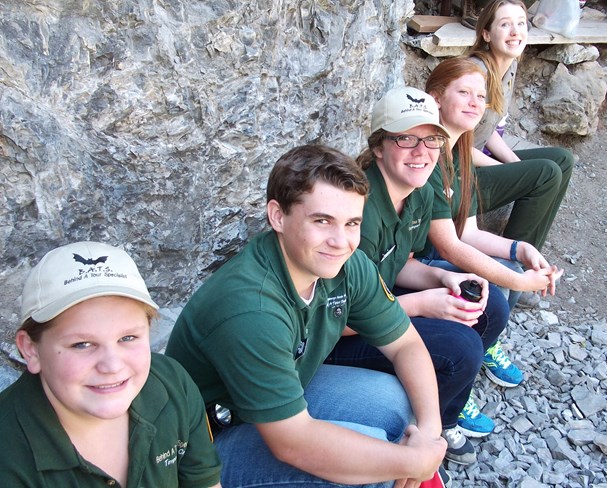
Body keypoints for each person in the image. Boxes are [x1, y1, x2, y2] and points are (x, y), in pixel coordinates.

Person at [165, 144, 448, 487]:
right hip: (210, 445)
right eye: (322, 221)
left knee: (395, 405)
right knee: (366, 472)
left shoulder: (345, 264)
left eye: (352, 223)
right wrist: (408, 462)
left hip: (280, 399)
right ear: (278, 216)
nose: (341, 241)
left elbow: (406, 345)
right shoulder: (251, 309)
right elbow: (293, 443)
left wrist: (429, 438)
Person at [325, 86, 510, 463]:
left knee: (493, 309)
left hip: (378, 303)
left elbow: (395, 262)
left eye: (431, 140)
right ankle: (432, 430)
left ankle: (439, 401)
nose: (421, 152)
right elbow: (336, 318)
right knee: (461, 348)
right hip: (335, 338)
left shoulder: (418, 189)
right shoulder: (358, 209)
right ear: (379, 146)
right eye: (406, 138)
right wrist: (424, 303)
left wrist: (442, 280)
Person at [0, 241, 222, 488]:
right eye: (82, 344)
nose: (112, 366)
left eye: (128, 338)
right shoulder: (9, 457)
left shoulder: (172, 385)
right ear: (31, 349)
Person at [418, 57, 564, 405]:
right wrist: (519, 281)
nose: (474, 103)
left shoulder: (459, 153)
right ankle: (452, 374)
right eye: (464, 92)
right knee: (501, 283)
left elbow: (467, 232)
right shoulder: (428, 152)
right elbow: (451, 246)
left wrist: (519, 249)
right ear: (436, 97)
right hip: (417, 259)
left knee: (510, 269)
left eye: (480, 96)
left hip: (437, 250)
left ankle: (479, 349)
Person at [467, 0, 575, 308]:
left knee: (561, 161)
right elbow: (460, 144)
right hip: (459, 172)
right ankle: (507, 268)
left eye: (521, 23)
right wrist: (516, 174)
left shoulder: (507, 66)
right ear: (486, 33)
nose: (516, 31)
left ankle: (530, 264)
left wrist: (516, 166)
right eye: (505, 24)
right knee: (544, 173)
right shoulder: (477, 72)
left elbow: (490, 133)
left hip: (478, 159)